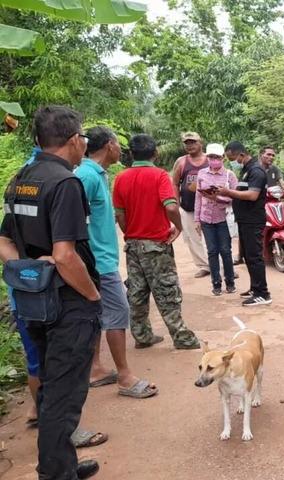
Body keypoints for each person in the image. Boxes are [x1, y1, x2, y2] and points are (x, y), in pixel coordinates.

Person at [0, 106, 102, 479]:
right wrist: (92, 297)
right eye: (83, 138)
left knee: (50, 387)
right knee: (64, 395)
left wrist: (30, 271)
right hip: (68, 304)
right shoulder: (65, 184)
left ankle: (60, 465)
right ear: (74, 140)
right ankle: (57, 474)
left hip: (34, 301)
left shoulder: (21, 179)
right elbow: (65, 256)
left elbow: (4, 241)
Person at [77, 127, 158, 399]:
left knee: (98, 315)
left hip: (99, 258)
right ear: (109, 145)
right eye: (116, 143)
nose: (120, 149)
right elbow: (73, 218)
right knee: (118, 312)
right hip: (98, 261)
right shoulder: (87, 176)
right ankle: (125, 377)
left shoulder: (97, 174)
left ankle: (95, 369)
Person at [114, 134, 201, 350]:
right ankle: (182, 338)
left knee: (137, 291)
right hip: (156, 244)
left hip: (133, 245)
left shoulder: (121, 178)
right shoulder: (160, 175)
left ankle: (142, 335)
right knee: (167, 291)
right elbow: (171, 207)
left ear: (131, 154)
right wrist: (179, 226)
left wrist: (131, 233)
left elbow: (120, 215)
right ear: (156, 153)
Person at [218, 141, 271, 306]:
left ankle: (262, 293)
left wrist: (228, 192)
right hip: (245, 220)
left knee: (254, 256)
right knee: (248, 256)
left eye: (232, 158)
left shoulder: (256, 171)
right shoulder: (246, 170)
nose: (232, 162)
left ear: (241, 154)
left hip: (253, 220)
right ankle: (255, 288)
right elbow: (242, 192)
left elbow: (252, 195)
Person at [195, 143, 238, 296]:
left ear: (222, 158)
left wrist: (218, 198)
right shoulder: (202, 174)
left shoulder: (229, 175)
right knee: (212, 251)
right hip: (206, 218)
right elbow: (198, 198)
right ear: (207, 158)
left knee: (225, 251)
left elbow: (236, 197)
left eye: (217, 157)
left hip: (223, 218)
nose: (214, 160)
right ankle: (216, 283)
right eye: (211, 157)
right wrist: (197, 219)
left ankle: (230, 281)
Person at [172, 131, 210, 278]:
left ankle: (222, 266)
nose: (190, 145)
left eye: (193, 142)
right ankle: (204, 266)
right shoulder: (181, 162)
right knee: (193, 238)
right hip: (188, 207)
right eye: (187, 143)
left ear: (200, 142)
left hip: (209, 207)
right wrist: (176, 203)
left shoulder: (210, 159)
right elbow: (175, 183)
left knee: (214, 237)